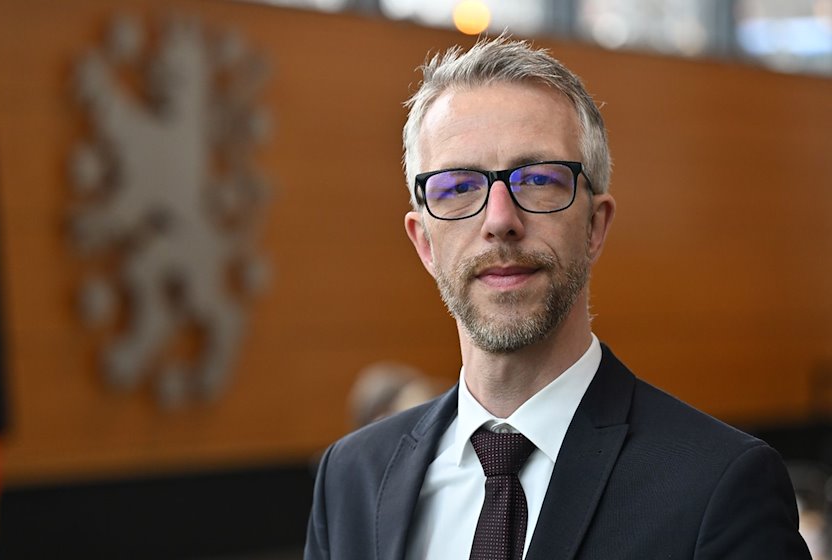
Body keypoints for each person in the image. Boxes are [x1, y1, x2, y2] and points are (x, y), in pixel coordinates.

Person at [304, 36, 809, 560]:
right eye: (458, 187)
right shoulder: (351, 480)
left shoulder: (718, 487)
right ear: (424, 241)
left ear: (595, 225)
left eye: (539, 179)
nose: (499, 220)